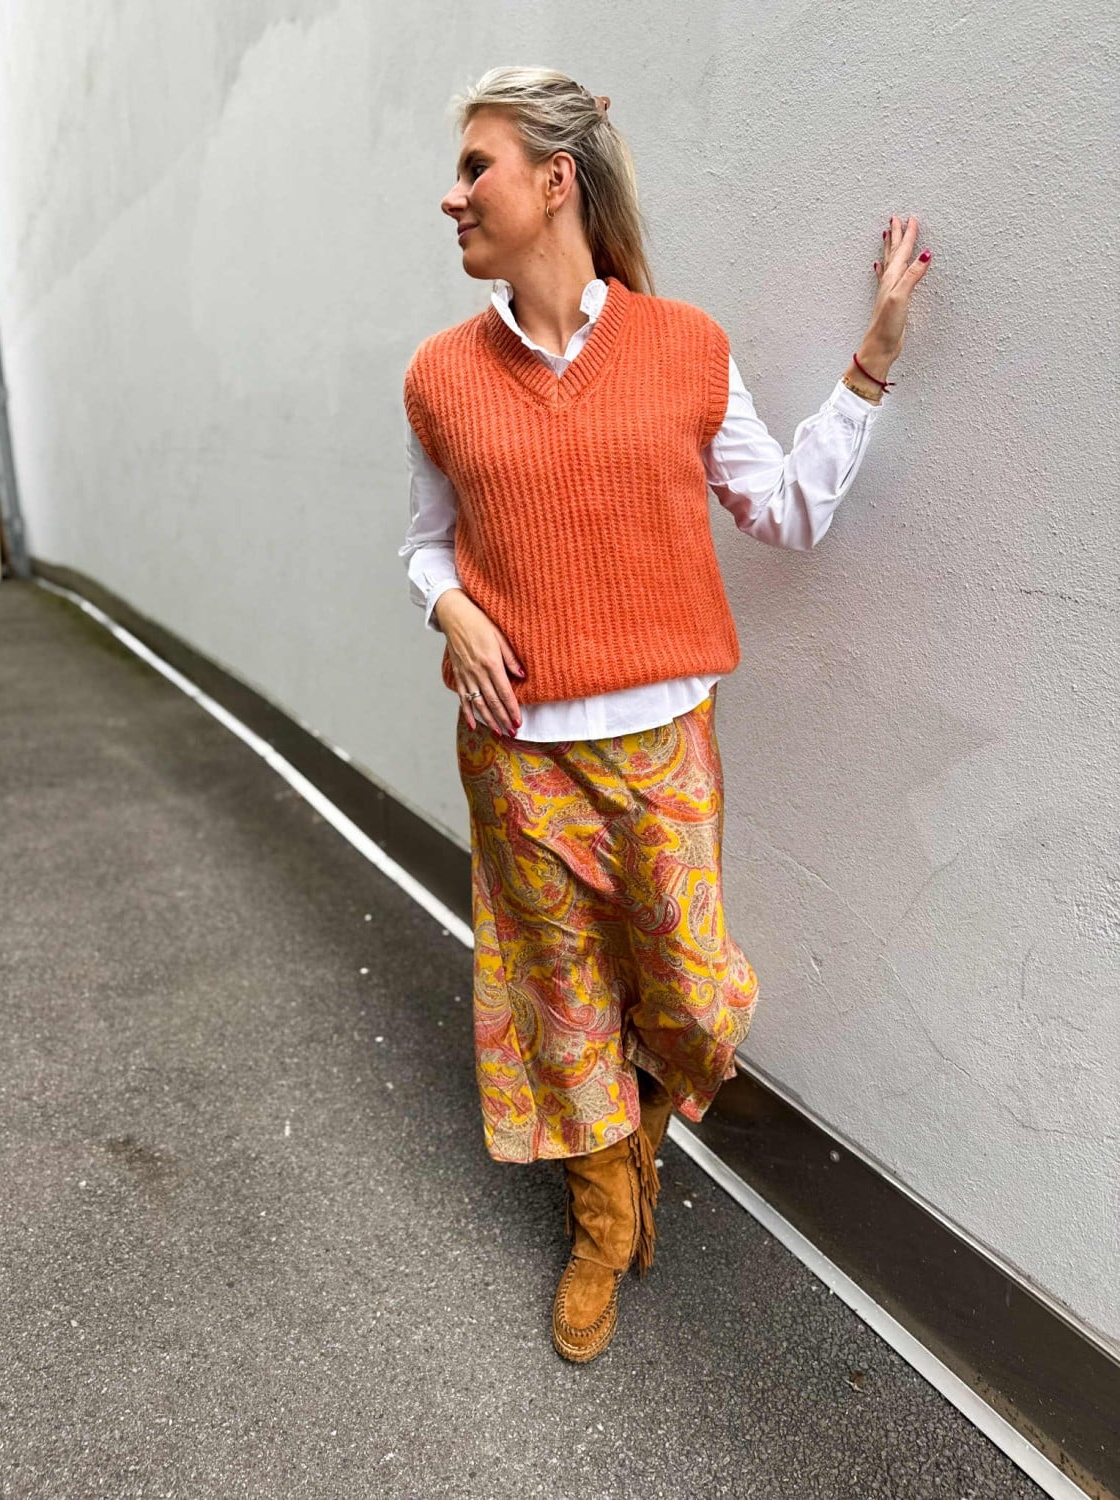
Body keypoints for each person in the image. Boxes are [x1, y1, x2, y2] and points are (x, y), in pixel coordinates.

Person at [399, 66, 931, 1364]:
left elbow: (786, 513)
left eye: (475, 168)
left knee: (691, 997)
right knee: (563, 998)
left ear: (554, 182)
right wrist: (450, 608)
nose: (451, 196)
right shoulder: (439, 377)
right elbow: (424, 543)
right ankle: (601, 1219)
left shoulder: (684, 347)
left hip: (660, 748)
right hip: (516, 757)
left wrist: (870, 364)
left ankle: (634, 1134)